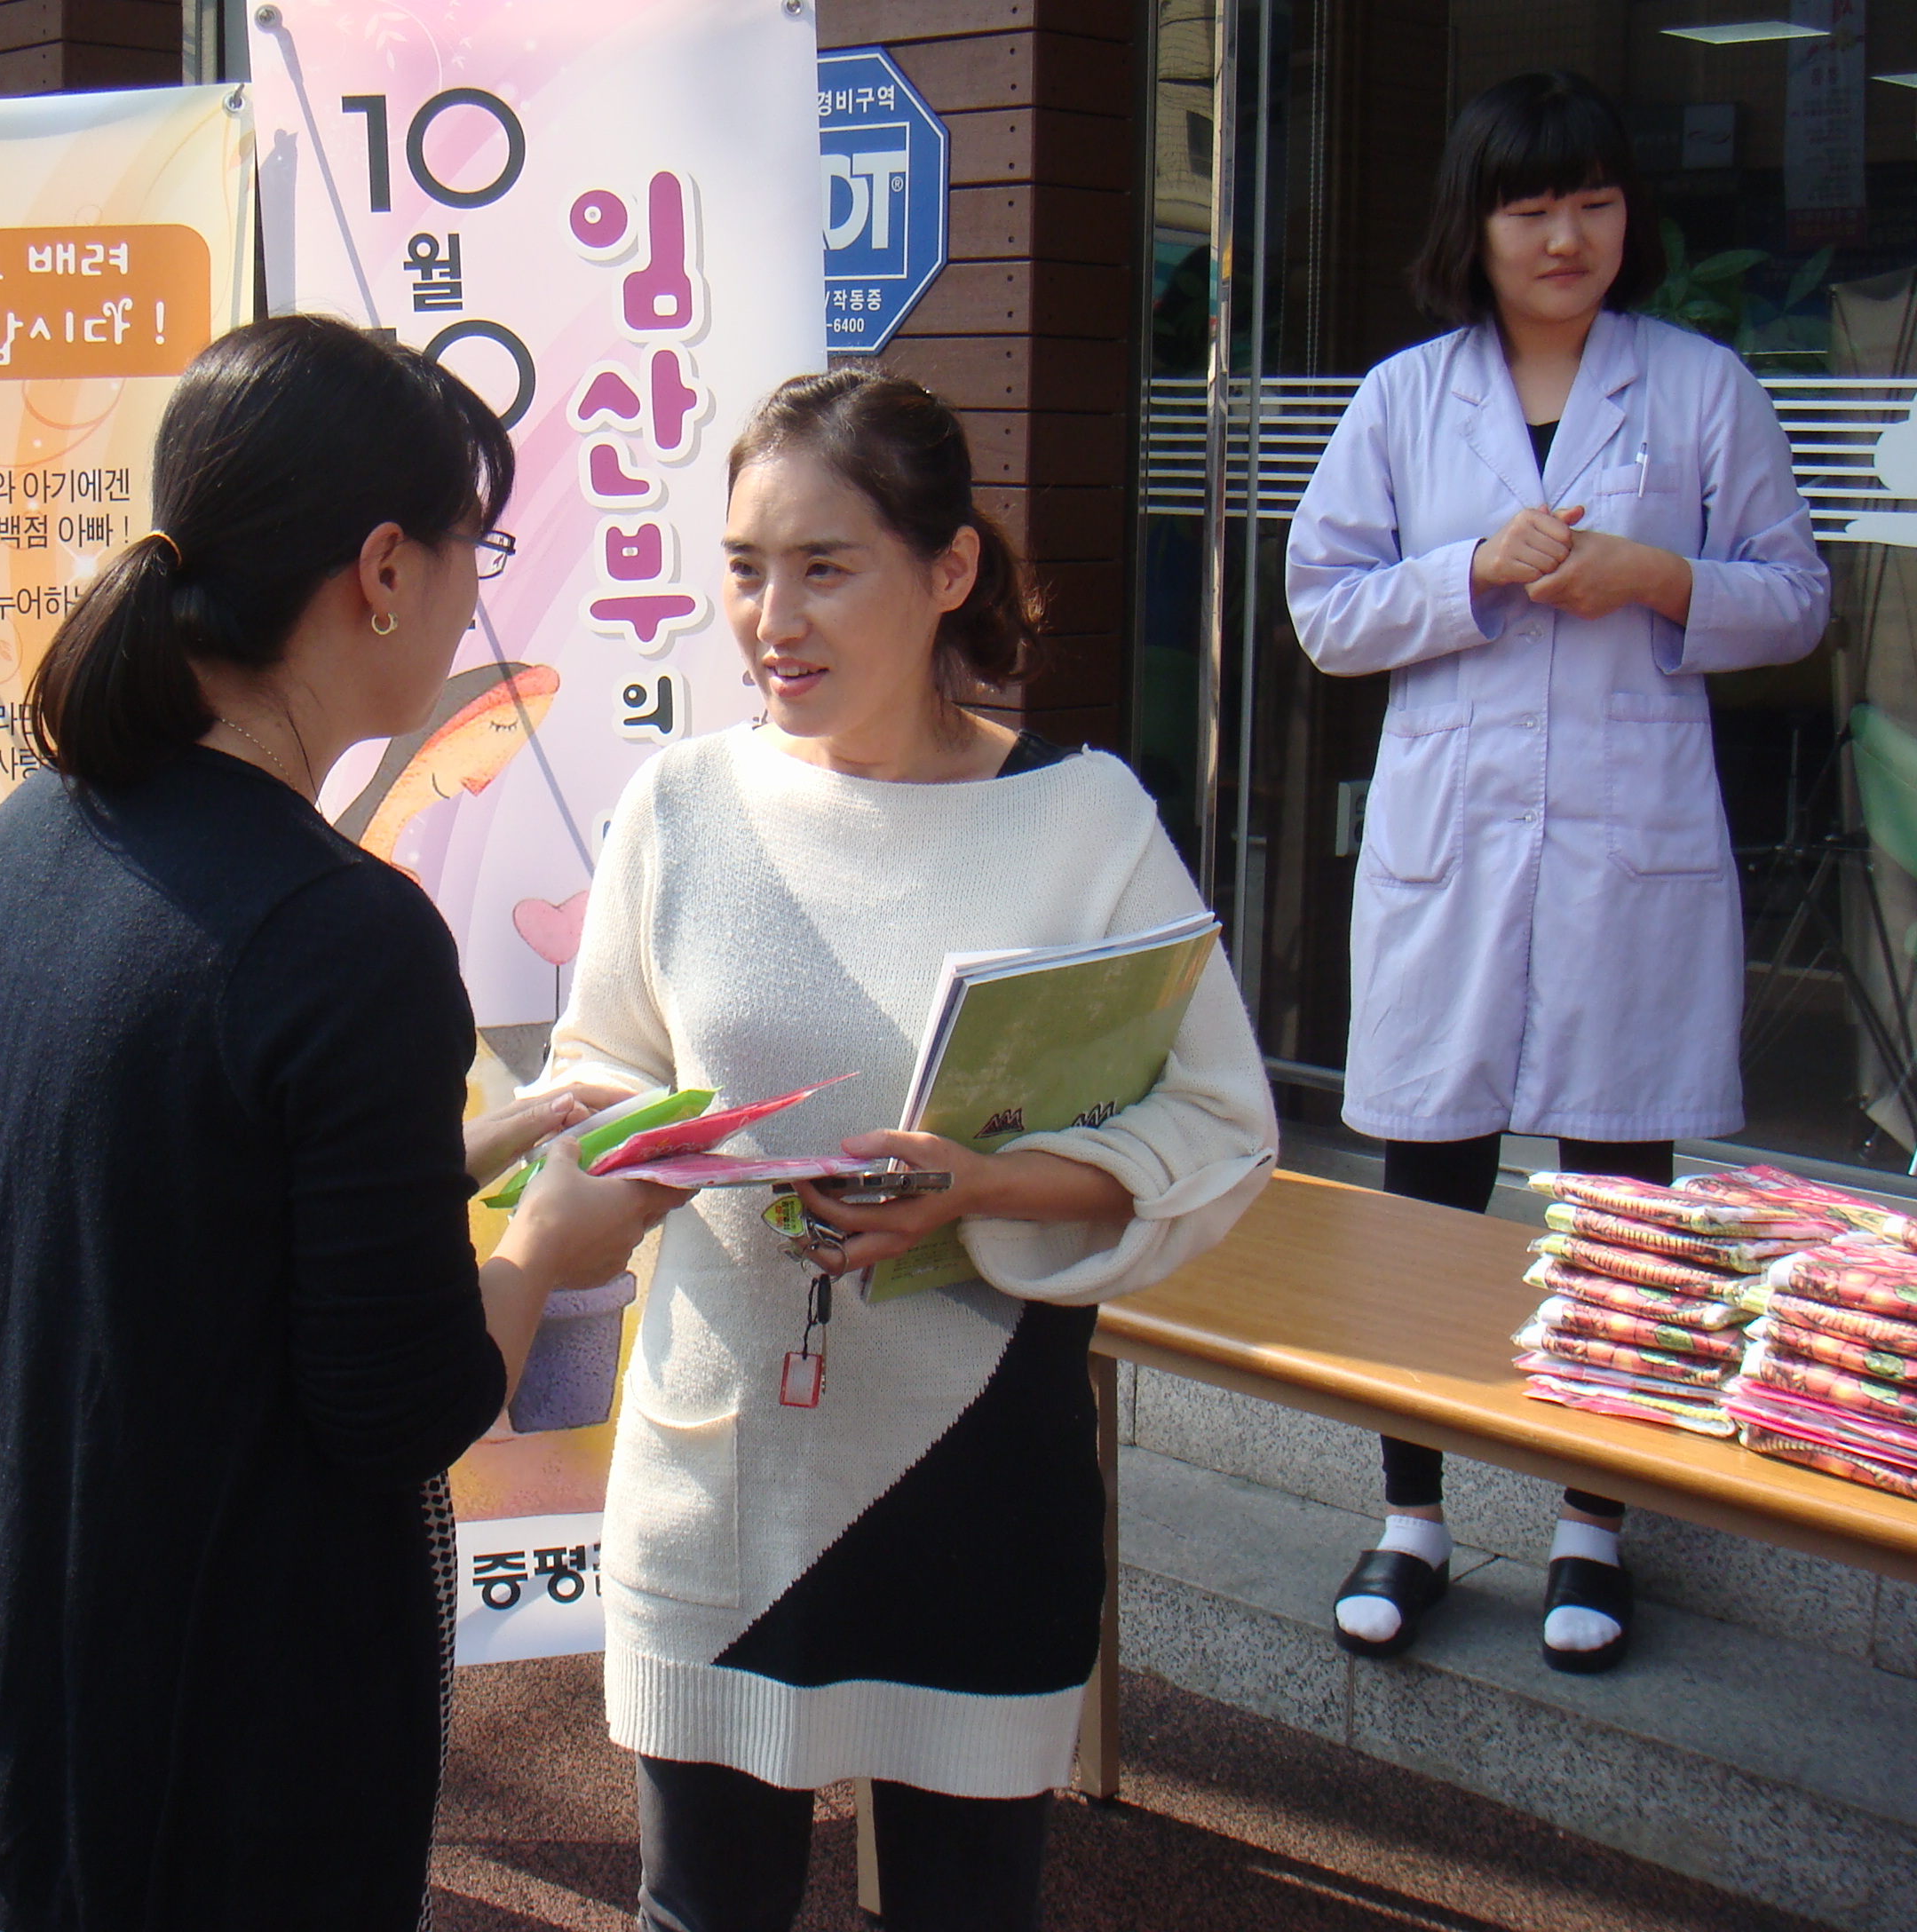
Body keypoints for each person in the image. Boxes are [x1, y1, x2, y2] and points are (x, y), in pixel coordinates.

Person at [0, 314, 682, 1932]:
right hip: (205, 1761)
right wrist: (548, 1240)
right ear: (382, 569)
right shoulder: (343, 938)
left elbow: (173, 1203)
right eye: (471, 551)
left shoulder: (42, 832)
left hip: (5, 1700)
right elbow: (400, 1404)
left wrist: (462, 1151)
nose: (470, 595)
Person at [537, 369, 1278, 1932]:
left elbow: (1220, 1121)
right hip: (722, 1473)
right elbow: (600, 1070)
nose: (772, 620)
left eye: (825, 567)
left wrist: (985, 1185)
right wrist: (629, 1158)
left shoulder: (1084, 820)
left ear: (949, 571)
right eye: (745, 567)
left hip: (982, 1476)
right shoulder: (678, 804)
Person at [1287, 70, 1828, 1675]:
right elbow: (1325, 610)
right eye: (1531, 206)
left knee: (1619, 1197)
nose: (1565, 234)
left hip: (1623, 844)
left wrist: (1660, 576)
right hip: (1454, 842)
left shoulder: (1702, 386)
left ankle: (1596, 1520)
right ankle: (1414, 1513)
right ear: (1478, 223)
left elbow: (1795, 597)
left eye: (1593, 201)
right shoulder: (1406, 396)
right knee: (1431, 1183)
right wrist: (1471, 571)